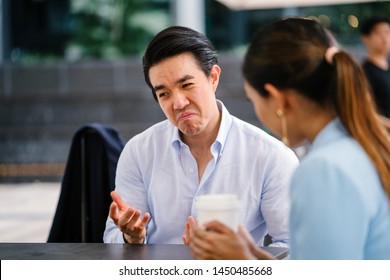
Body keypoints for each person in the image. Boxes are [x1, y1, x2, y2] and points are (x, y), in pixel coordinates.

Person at [189, 17, 390, 260]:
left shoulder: (323, 169)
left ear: (277, 98)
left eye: (253, 100)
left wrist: (242, 263)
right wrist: (254, 256)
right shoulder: (363, 145)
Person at [103, 26, 299, 245]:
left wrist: (239, 263)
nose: (178, 103)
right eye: (164, 94)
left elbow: (293, 246)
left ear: (213, 77)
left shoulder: (271, 156)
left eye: (186, 85)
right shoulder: (139, 151)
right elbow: (112, 238)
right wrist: (131, 237)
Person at [360, 16, 390, 128]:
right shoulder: (363, 72)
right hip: (382, 135)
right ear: (366, 38)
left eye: (387, 32)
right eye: (378, 33)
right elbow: (363, 111)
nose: (385, 38)